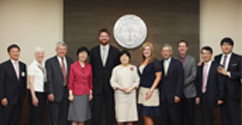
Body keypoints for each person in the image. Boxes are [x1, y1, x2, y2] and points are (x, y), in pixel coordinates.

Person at [90, 29, 120, 125]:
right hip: (97, 86)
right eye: (102, 36)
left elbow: (118, 69)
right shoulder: (93, 51)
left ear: (109, 38)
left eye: (106, 36)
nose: (104, 38)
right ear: (99, 37)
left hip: (110, 86)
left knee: (110, 111)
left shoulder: (115, 51)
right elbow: (91, 69)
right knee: (96, 111)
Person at [214, 38, 241, 125]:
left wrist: (228, 73)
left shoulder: (239, 58)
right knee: (224, 117)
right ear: (221, 46)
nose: (226, 47)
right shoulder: (217, 58)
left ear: (232, 46)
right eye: (224, 45)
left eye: (228, 45)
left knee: (234, 117)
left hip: (233, 93)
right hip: (221, 94)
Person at [46, 41, 74, 125]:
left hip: (66, 93)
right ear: (56, 50)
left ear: (66, 50)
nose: (62, 51)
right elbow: (49, 78)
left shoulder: (70, 60)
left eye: (64, 49)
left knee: (64, 116)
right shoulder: (50, 62)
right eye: (60, 49)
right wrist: (50, 92)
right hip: (55, 93)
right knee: (54, 117)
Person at [196, 46, 224, 125]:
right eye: (203, 53)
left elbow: (221, 83)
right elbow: (197, 82)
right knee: (202, 117)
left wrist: (220, 98)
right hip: (202, 96)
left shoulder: (217, 66)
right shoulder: (199, 67)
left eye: (207, 53)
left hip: (213, 96)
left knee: (210, 118)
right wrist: (197, 96)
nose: (205, 55)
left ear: (211, 55)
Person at [110, 50, 140, 125]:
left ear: (129, 58)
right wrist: (121, 88)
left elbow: (137, 80)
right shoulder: (116, 69)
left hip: (131, 96)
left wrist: (131, 88)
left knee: (130, 118)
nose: (124, 58)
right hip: (120, 96)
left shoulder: (133, 68)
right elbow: (113, 82)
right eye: (122, 56)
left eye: (126, 56)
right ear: (119, 58)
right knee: (120, 118)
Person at [0, 44, 27, 125]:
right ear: (9, 53)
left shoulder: (23, 65)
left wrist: (23, 95)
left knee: (16, 120)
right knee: (5, 120)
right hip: (7, 99)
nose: (16, 53)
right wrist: (2, 97)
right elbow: (1, 83)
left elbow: (23, 81)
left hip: (19, 99)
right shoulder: (3, 66)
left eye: (17, 51)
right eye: (13, 52)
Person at [137, 42, 162, 125]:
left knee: (147, 114)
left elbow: (158, 77)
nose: (146, 51)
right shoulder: (142, 62)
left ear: (151, 51)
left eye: (148, 49)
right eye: (144, 49)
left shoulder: (155, 62)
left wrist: (151, 90)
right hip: (142, 91)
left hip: (150, 91)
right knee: (144, 115)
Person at [159, 44, 184, 125]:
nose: (165, 53)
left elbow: (180, 80)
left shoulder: (177, 63)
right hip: (163, 97)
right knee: (164, 119)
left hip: (173, 96)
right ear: (161, 53)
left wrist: (178, 94)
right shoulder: (159, 64)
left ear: (171, 52)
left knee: (175, 119)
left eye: (167, 51)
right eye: (164, 51)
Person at [68, 47, 93, 125]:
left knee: (82, 118)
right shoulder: (73, 66)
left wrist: (90, 93)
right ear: (78, 55)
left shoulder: (89, 66)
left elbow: (90, 81)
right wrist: (70, 94)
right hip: (76, 94)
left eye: (85, 53)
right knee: (75, 118)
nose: (83, 55)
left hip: (85, 94)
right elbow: (70, 81)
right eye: (81, 53)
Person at [175, 40, 197, 125]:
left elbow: (193, 75)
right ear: (177, 48)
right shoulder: (174, 60)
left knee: (190, 115)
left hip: (189, 92)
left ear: (187, 48)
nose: (182, 48)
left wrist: (181, 83)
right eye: (180, 46)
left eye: (184, 46)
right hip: (178, 93)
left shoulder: (192, 60)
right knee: (179, 116)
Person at [28, 47, 47, 125]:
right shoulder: (32, 66)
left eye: (42, 53)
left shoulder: (44, 65)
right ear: (35, 55)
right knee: (35, 116)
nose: (40, 55)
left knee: (41, 116)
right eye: (38, 53)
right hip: (35, 93)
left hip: (43, 93)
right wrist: (34, 97)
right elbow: (30, 82)